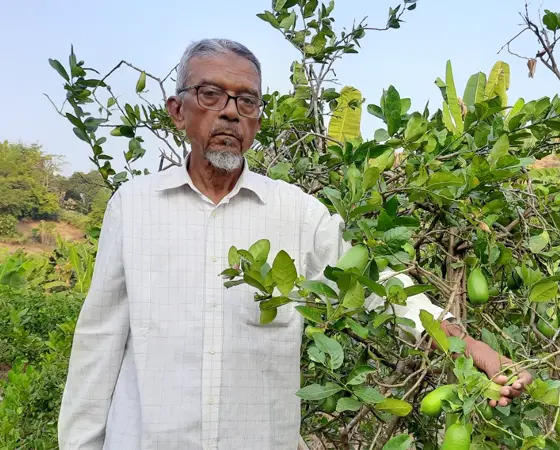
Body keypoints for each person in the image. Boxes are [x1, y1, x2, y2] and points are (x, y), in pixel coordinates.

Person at [58, 38, 532, 450]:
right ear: (177, 110)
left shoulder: (299, 213)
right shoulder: (133, 205)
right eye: (211, 94)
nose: (229, 110)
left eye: (247, 101)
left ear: (257, 120)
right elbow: (99, 340)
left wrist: (470, 346)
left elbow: (377, 286)